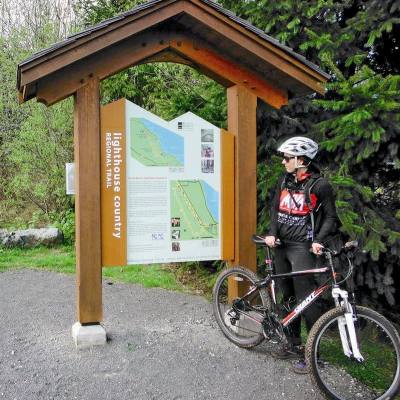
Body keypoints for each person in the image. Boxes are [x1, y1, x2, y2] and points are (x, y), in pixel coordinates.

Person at [264, 136, 339, 374]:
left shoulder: (319, 186)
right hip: (281, 247)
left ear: (301, 160)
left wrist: (318, 240)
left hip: (301, 248)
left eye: (287, 158)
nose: (283, 162)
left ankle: (312, 353)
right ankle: (291, 342)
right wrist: (272, 234)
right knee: (286, 295)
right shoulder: (284, 180)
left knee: (306, 300)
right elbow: (275, 209)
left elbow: (330, 217)